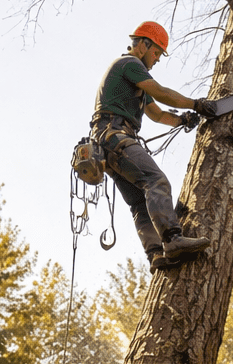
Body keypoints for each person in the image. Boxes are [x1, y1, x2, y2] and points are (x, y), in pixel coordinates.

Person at [91, 21, 219, 273]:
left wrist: (182, 120)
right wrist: (195, 104)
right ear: (143, 45)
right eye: (157, 52)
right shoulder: (130, 64)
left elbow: (157, 114)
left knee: (139, 202)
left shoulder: (133, 77)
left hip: (108, 144)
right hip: (115, 136)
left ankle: (156, 255)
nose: (157, 59)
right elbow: (160, 92)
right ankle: (171, 238)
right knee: (156, 181)